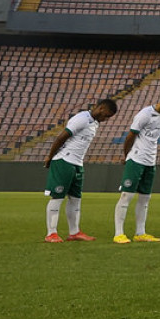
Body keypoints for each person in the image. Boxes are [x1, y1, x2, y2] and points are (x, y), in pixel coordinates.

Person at [43, 97, 117, 242]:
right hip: (64, 160)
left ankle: (74, 232)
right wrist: (49, 157)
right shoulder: (82, 118)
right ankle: (51, 233)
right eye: (106, 115)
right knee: (57, 197)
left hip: (77, 163)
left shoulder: (94, 123)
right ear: (101, 108)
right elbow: (61, 138)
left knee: (75, 199)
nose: (106, 119)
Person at [114, 90, 160, 243]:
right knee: (126, 195)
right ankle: (118, 233)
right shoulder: (144, 114)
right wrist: (127, 155)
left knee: (145, 198)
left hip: (150, 161)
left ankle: (140, 233)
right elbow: (131, 135)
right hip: (136, 159)